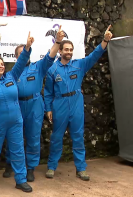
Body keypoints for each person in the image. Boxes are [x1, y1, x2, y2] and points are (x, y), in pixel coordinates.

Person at [44, 25, 113, 180]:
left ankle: (81, 168)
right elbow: (48, 92)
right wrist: (48, 108)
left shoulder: (79, 65)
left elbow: (94, 55)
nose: (68, 52)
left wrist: (104, 41)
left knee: (78, 137)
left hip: (75, 103)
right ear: (60, 51)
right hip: (59, 104)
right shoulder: (52, 70)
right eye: (66, 49)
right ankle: (51, 167)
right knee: (56, 137)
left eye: (71, 49)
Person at [3, 25, 65, 182]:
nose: (27, 54)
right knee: (14, 136)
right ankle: (11, 163)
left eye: (28, 51)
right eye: (23, 53)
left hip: (35, 105)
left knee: (33, 137)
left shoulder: (38, 67)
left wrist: (58, 42)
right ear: (17, 57)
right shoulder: (11, 74)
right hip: (17, 106)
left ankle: (30, 168)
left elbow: (50, 57)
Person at [0, 32, 33, 192]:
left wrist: (27, 48)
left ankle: (21, 179)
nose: (1, 66)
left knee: (18, 151)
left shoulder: (11, 76)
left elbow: (21, 61)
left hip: (15, 122)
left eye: (2, 64)